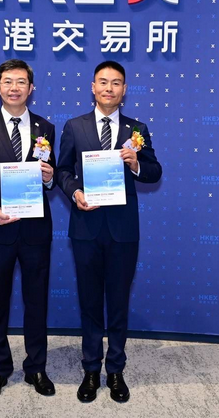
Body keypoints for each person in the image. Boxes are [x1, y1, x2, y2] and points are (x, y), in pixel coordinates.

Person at [56, 61, 162, 403]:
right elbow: (62, 170)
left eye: (116, 83)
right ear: (93, 87)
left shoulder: (137, 129)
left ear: (124, 90)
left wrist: (136, 164)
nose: (109, 88)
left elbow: (155, 171)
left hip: (123, 230)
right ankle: (90, 369)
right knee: (89, 302)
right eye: (103, 82)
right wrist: (75, 192)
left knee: (117, 302)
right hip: (86, 227)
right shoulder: (75, 126)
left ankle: (115, 369)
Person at [0, 59, 57, 400]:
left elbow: (50, 175)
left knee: (37, 302)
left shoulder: (46, 127)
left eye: (21, 82)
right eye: (8, 81)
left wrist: (50, 178)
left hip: (35, 231)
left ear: (31, 88)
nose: (14, 87)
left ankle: (36, 367)